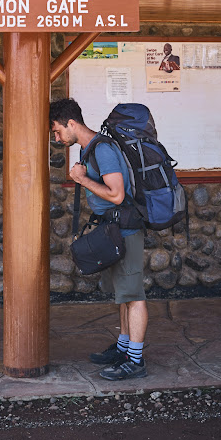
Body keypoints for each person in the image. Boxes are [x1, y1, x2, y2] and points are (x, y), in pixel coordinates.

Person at [49, 97, 148, 381]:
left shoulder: (102, 150)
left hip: (126, 228)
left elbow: (116, 194)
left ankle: (136, 361)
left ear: (71, 123)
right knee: (122, 295)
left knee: (134, 296)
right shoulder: (89, 148)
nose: (56, 138)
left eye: (57, 131)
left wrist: (83, 180)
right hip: (112, 228)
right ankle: (123, 348)